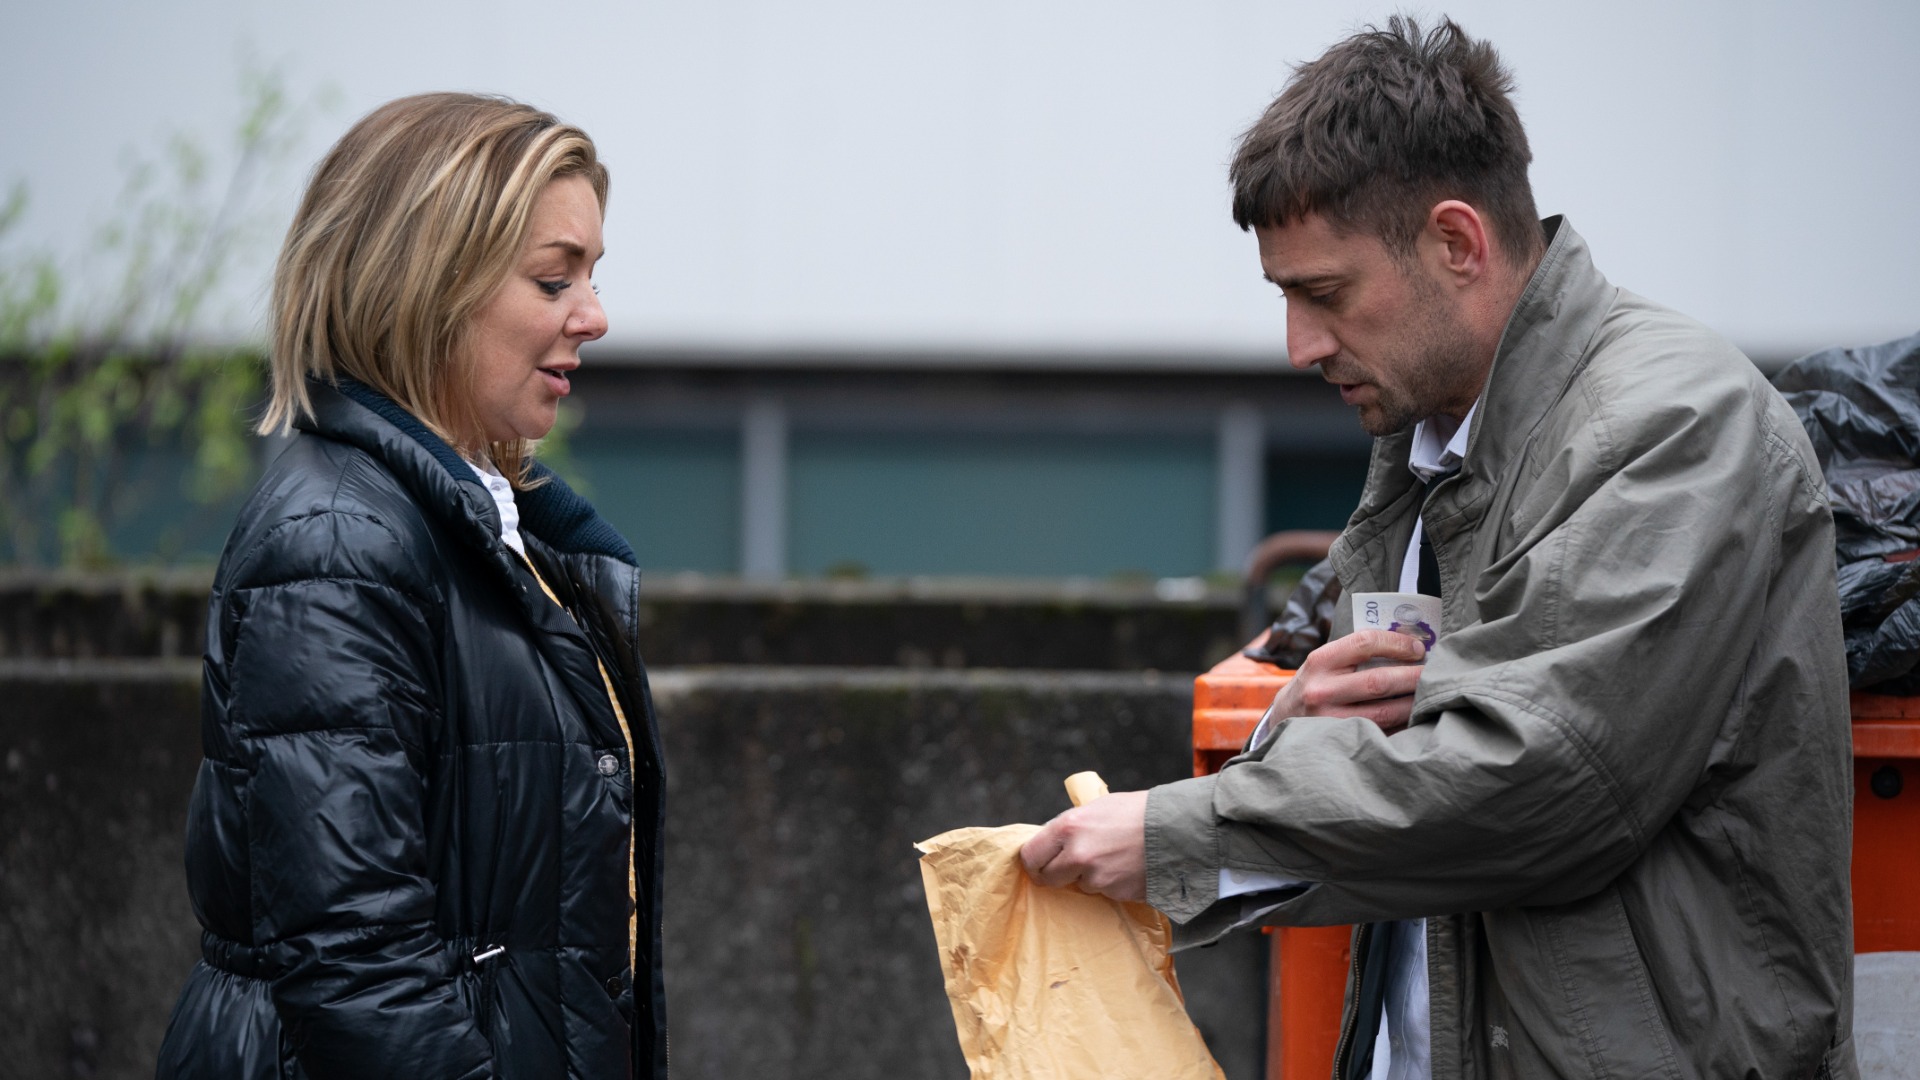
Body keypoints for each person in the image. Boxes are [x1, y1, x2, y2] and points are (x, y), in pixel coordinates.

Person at [1021, 18, 1857, 1079]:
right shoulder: (1431, 432)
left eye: (1324, 294)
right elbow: (1408, 786)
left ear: (1458, 243)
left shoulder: (1674, 423)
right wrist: (1300, 718)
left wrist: (1187, 832)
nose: (1301, 346)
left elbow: (1541, 783)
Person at [155, 93, 667, 1079]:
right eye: (555, 278)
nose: (594, 316)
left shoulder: (482, 526)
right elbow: (357, 970)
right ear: (426, 285)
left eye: (592, 276)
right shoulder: (342, 543)